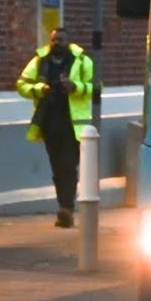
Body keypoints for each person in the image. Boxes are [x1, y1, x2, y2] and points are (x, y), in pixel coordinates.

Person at [16, 28, 95, 228]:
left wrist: (74, 87)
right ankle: (63, 206)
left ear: (67, 41)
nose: (56, 43)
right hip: (49, 122)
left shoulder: (82, 61)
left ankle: (67, 208)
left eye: (60, 40)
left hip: (72, 125)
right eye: (53, 40)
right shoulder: (40, 61)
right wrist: (39, 89)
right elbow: (21, 85)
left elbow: (95, 87)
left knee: (69, 165)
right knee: (57, 167)